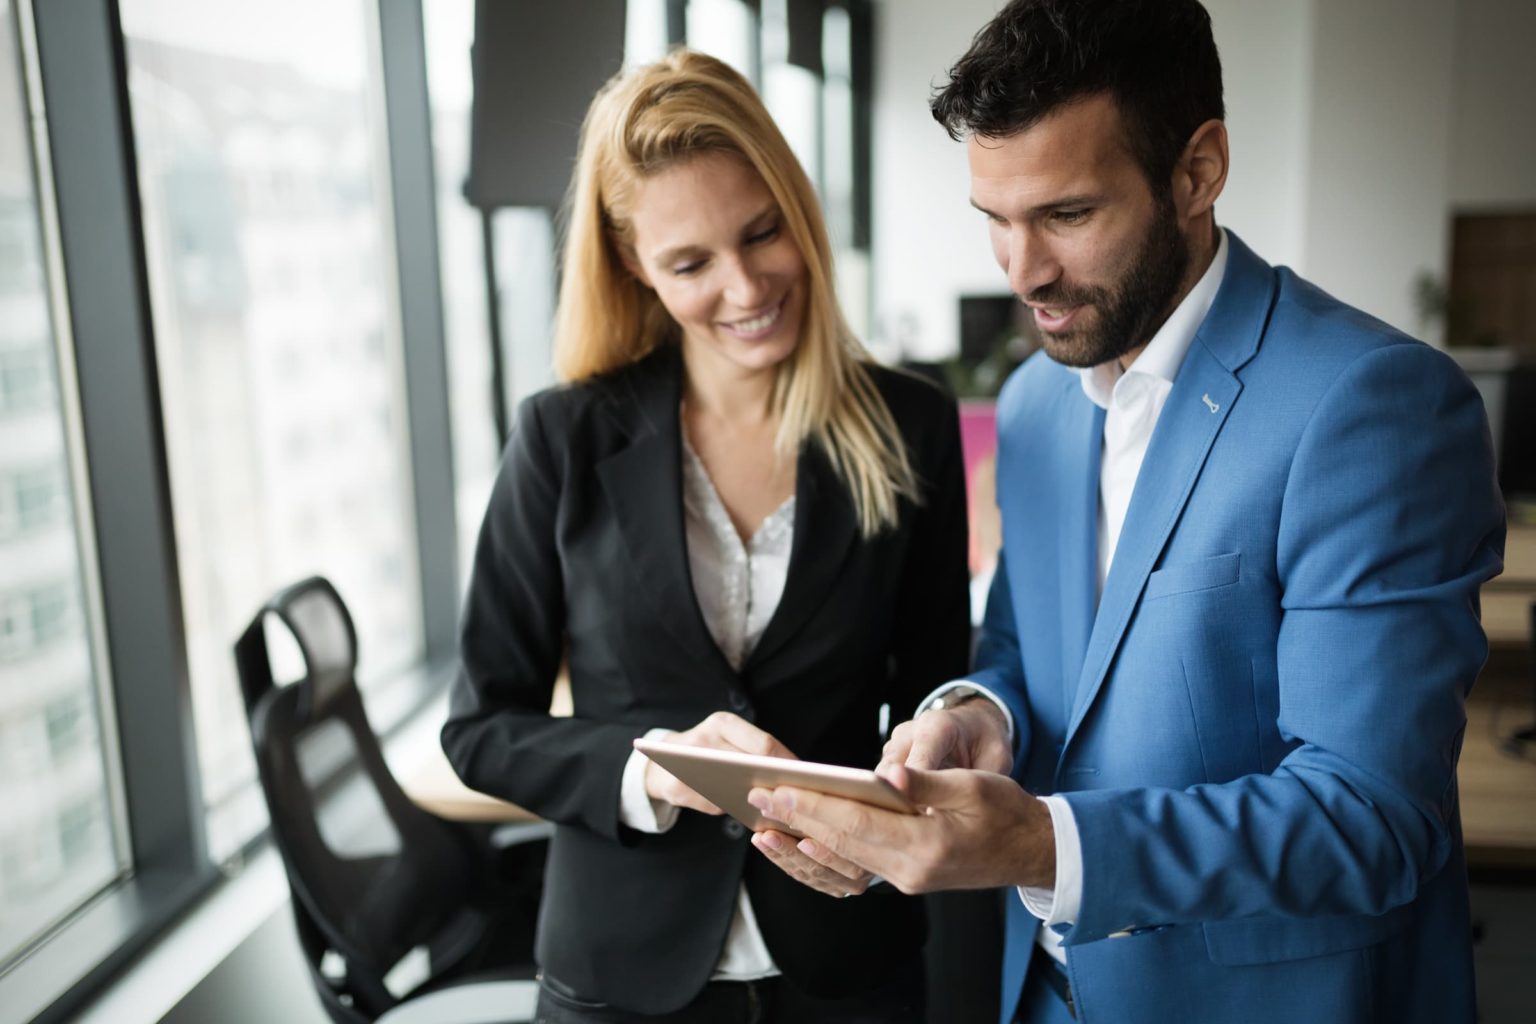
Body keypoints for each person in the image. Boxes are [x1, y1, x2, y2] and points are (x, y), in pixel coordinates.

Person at [746, 2, 1507, 1022]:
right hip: (1043, 992)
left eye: (1065, 214)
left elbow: (1370, 817)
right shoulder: (1033, 403)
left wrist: (1035, 843)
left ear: (1198, 171)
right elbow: (1025, 644)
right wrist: (978, 714)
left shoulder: (1373, 404)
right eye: (994, 219)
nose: (1022, 273)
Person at [440, 49, 970, 1023]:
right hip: (620, 978)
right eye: (690, 263)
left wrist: (913, 771)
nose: (744, 285)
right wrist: (650, 768)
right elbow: (480, 727)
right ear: (637, 267)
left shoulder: (911, 424)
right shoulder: (562, 438)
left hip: (846, 965)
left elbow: (940, 683)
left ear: (797, 208)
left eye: (762, 232)